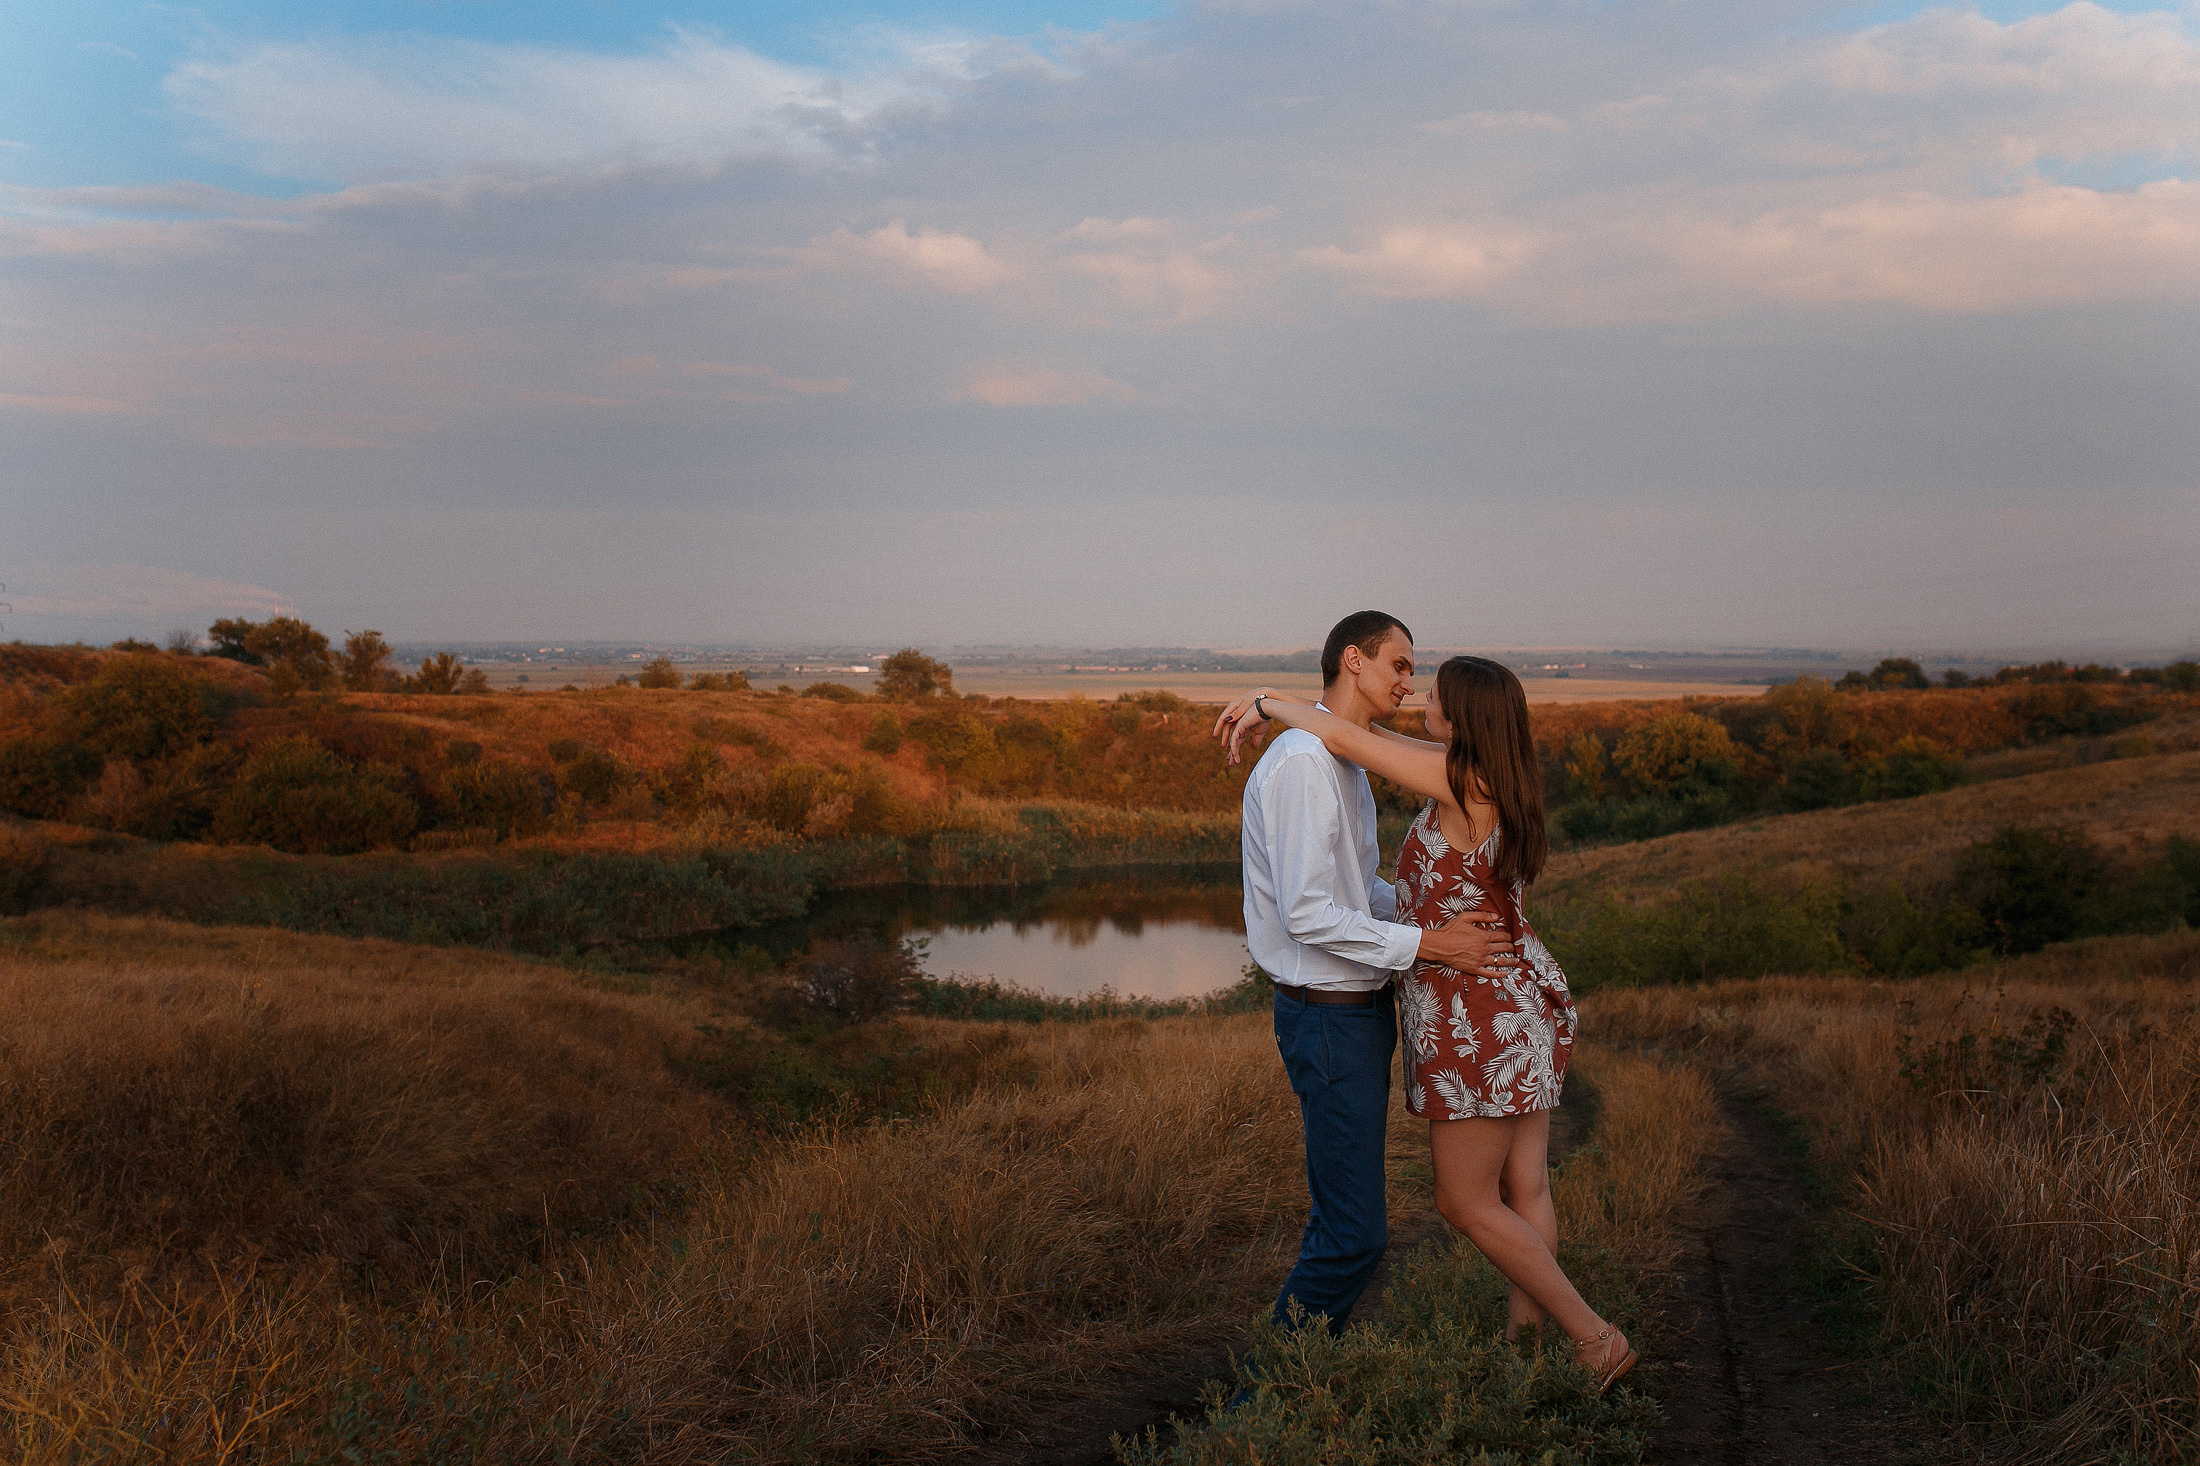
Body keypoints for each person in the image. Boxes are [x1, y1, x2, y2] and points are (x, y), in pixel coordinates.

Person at [1215, 651, 1637, 1393]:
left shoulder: (1461, 780)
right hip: (1515, 999)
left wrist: (1265, 699)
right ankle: (1526, 1352)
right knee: (1525, 1188)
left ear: (1465, 715)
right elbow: (1373, 747)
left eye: (1435, 696)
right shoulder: (1482, 773)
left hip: (1478, 1015)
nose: (1420, 702)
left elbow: (1347, 741)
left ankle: (1595, 1338)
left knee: (1463, 1200)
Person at [1216, 612, 1518, 1343]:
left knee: (1342, 1219)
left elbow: (1356, 886)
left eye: (1415, 673)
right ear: (1354, 660)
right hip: (1326, 1016)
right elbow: (1311, 916)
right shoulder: (1300, 765)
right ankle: (1263, 1402)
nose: (1409, 684)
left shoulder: (1340, 760)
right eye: (1400, 665)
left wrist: (1428, 919)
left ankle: (1291, 1385)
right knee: (1355, 1236)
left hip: (1355, 1013)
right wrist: (1431, 944)